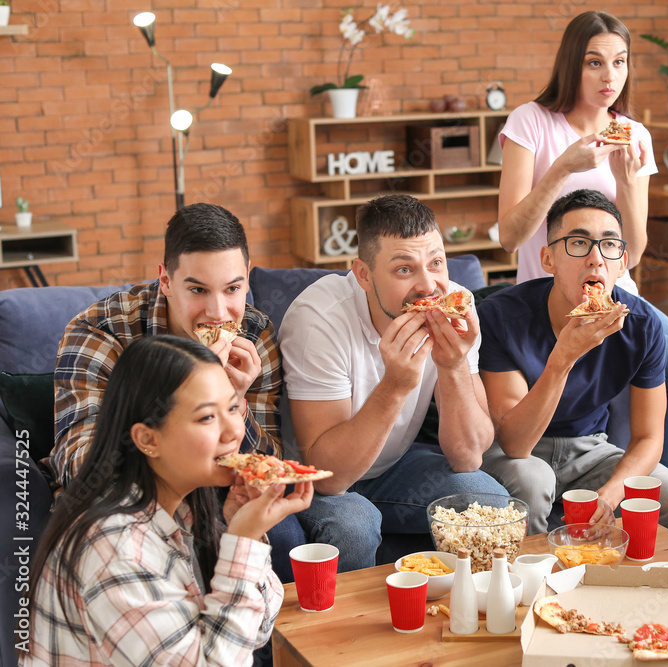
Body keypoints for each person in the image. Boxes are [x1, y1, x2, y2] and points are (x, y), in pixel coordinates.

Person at [496, 9, 668, 537]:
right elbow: (509, 234)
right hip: (551, 292)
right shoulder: (530, 122)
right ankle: (662, 512)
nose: (610, 77)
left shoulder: (634, 135)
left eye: (620, 63)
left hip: (616, 293)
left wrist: (628, 184)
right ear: (571, 66)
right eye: (595, 62)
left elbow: (635, 250)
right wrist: (564, 166)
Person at [51, 203, 306, 582]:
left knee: (283, 534)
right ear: (166, 281)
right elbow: (80, 464)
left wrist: (234, 398)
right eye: (198, 290)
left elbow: (268, 469)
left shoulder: (254, 334)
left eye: (232, 288)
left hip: (219, 490)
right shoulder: (102, 330)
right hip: (129, 496)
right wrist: (193, 387)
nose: (218, 312)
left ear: (248, 279)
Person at [24, 335, 313, 664]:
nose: (234, 431)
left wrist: (239, 530)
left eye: (233, 407)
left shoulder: (183, 512)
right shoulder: (116, 549)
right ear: (148, 439)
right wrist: (243, 543)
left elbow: (258, 631)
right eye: (207, 417)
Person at [280, 193, 508, 571]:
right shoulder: (318, 320)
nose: (428, 286)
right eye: (405, 269)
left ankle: (466, 619)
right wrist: (395, 385)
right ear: (363, 274)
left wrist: (452, 366)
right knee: (355, 525)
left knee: (491, 502)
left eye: (436, 263)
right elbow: (329, 477)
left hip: (393, 468)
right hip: (314, 475)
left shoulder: (459, 306)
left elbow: (468, 456)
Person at [477, 189, 668, 542]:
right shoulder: (501, 316)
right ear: (548, 259)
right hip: (515, 453)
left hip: (591, 450)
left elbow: (649, 437)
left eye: (609, 245)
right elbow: (514, 443)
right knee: (533, 479)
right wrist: (563, 358)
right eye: (578, 243)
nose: (596, 258)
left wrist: (613, 493)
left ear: (622, 261)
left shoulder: (642, 324)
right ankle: (538, 589)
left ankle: (654, 590)